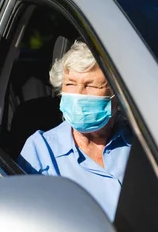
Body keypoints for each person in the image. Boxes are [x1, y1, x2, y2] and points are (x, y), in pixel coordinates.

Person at [18, 40, 131, 220]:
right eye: (70, 84)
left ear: (116, 94)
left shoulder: (141, 142)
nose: (78, 94)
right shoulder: (41, 149)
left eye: (90, 85)